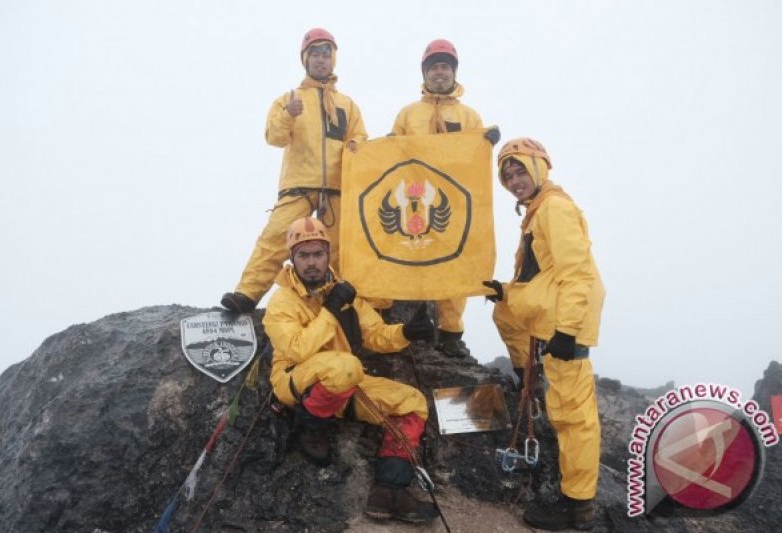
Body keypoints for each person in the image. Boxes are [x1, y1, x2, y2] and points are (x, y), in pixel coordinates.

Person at [263, 216, 439, 524]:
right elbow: (297, 349)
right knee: (346, 366)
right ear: (292, 260)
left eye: (318, 253)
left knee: (412, 402)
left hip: (344, 384)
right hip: (295, 381)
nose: (312, 262)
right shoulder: (281, 302)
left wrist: (407, 332)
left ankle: (389, 491)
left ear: (328, 255)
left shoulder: (344, 293)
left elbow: (374, 334)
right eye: (303, 255)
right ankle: (310, 427)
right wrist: (331, 310)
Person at [483, 138, 604, 531]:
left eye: (520, 170)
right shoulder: (538, 211)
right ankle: (527, 378)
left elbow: (577, 273)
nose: (515, 181)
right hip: (550, 318)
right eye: (508, 176)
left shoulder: (554, 208)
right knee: (504, 311)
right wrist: (507, 291)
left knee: (573, 417)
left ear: (540, 166)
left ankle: (577, 505)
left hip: (565, 325)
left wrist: (568, 331)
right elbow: (542, 276)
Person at [221, 28, 367, 314]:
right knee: (275, 239)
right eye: (314, 53)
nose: (321, 59)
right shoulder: (288, 98)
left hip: (336, 188)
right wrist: (289, 114)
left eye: (326, 53)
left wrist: (355, 145)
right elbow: (273, 136)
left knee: (337, 250)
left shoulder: (347, 105)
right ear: (305, 59)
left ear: (333, 59)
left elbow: (360, 140)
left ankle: (338, 307)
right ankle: (246, 295)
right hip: (297, 185)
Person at [390, 38, 500, 358]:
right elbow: (391, 157)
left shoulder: (470, 117)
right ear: (424, 72)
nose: (439, 72)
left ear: (454, 72)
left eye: (445, 66)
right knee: (416, 261)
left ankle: (451, 334)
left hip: (454, 204)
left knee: (454, 265)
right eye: (434, 67)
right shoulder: (408, 114)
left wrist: (486, 143)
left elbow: (475, 162)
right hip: (416, 201)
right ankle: (415, 327)